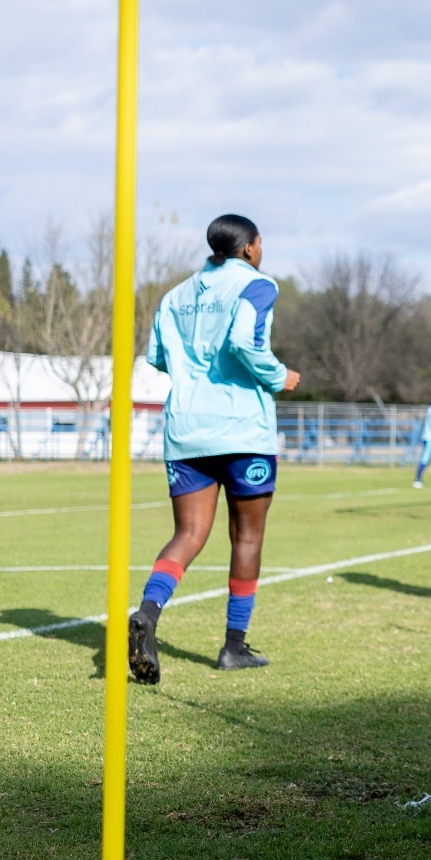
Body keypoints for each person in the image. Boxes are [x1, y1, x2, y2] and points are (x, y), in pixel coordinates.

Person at [126, 213, 300, 683]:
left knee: (188, 534)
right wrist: (278, 375)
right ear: (248, 249)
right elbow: (246, 340)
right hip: (242, 430)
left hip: (186, 431)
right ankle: (233, 647)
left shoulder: (175, 295)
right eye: (259, 244)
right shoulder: (258, 285)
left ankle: (148, 611)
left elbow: (158, 357)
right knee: (247, 538)